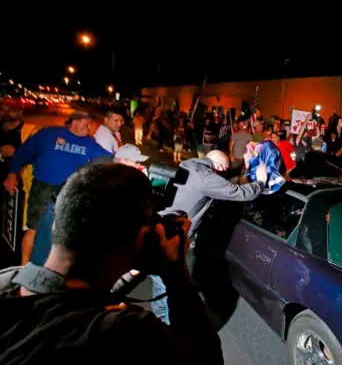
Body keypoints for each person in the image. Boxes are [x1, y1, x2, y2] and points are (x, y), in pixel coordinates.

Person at [0, 164, 223, 364]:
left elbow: (78, 298)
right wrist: (175, 269)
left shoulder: (8, 280)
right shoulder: (121, 334)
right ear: (140, 239)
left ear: (56, 225)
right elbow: (206, 356)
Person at [153, 149, 268, 323]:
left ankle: (158, 318)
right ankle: (169, 331)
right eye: (224, 169)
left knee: (160, 280)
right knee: (169, 285)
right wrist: (261, 181)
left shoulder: (190, 164)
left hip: (161, 227)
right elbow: (240, 193)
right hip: (173, 237)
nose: (222, 173)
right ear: (219, 166)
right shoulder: (206, 178)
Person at [4, 111, 111, 265]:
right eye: (86, 123)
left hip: (68, 191)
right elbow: (23, 153)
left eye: (90, 124)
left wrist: (124, 159)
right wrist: (12, 174)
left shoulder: (89, 143)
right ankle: (23, 266)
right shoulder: (49, 134)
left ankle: (49, 266)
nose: (89, 128)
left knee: (61, 232)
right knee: (34, 228)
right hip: (44, 188)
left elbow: (106, 158)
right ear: (73, 121)